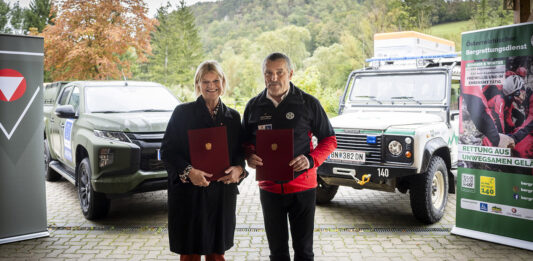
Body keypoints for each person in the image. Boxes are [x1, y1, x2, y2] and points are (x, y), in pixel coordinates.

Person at [242, 52, 337, 260]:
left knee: (304, 251)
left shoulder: (308, 103)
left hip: (303, 188)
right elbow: (245, 141)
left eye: (279, 72)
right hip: (269, 189)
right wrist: (249, 155)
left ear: (290, 73)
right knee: (277, 252)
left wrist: (311, 160)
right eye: (268, 73)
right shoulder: (253, 106)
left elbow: (329, 140)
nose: (273, 78)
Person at [161, 60, 246, 261]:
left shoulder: (233, 117)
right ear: (197, 84)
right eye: (205, 81)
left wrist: (238, 170)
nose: (211, 86)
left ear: (223, 83)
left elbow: (239, 154)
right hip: (190, 195)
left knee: (217, 254)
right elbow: (167, 151)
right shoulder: (182, 113)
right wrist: (189, 171)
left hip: (221, 196)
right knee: (190, 254)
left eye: (216, 80)